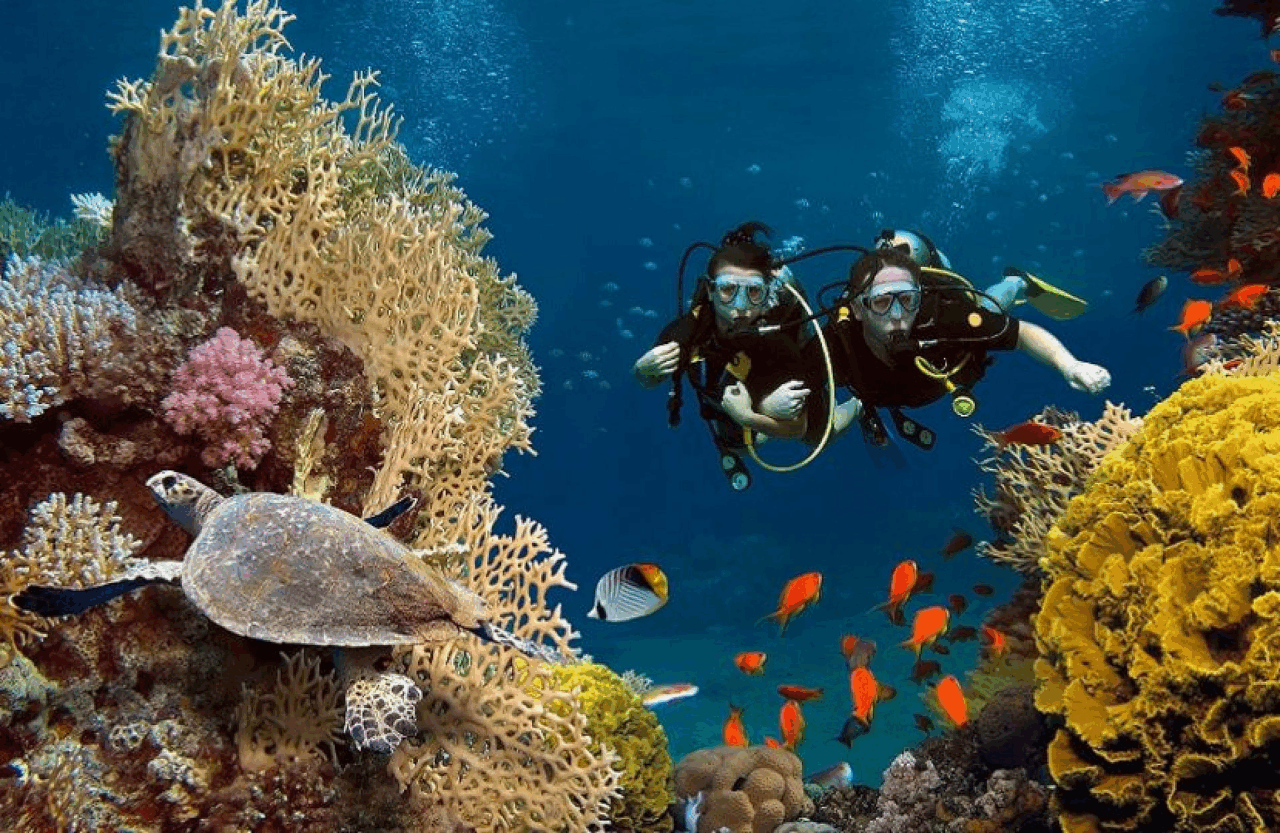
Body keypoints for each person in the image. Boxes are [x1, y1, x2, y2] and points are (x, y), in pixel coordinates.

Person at [814, 243, 1111, 450]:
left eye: (907, 300)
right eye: (880, 302)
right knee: (860, 396)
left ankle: (1016, 282)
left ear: (920, 297)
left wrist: (1068, 364)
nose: (897, 315)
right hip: (878, 392)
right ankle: (860, 404)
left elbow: (1021, 333)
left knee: (986, 307)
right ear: (856, 308)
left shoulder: (943, 317)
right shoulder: (837, 343)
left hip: (954, 366)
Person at [633, 221, 817, 490]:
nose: (740, 307)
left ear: (766, 294)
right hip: (727, 406)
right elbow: (649, 380)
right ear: (710, 290)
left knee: (815, 436)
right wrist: (641, 370)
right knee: (739, 447)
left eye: (753, 292)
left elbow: (798, 428)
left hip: (764, 399)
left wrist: (752, 417)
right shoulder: (688, 332)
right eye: (728, 290)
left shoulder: (779, 344)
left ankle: (857, 406)